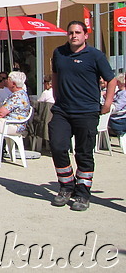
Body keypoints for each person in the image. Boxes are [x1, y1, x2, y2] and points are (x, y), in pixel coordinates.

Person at [48, 21, 116, 212]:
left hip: (87, 111)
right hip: (62, 110)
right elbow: (54, 74)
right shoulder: (59, 53)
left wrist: (107, 104)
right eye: (70, 33)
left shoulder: (95, 55)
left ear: (85, 35)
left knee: (83, 153)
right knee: (57, 146)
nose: (73, 36)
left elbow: (111, 79)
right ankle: (66, 186)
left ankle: (83, 193)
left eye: (78, 32)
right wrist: (56, 95)